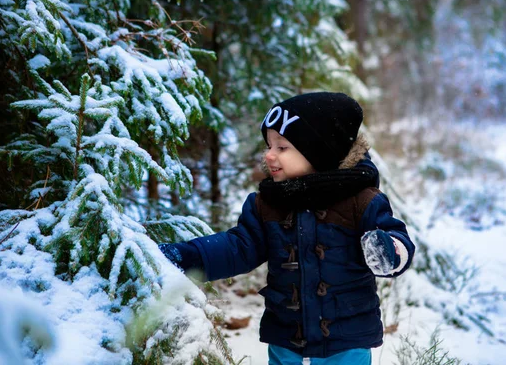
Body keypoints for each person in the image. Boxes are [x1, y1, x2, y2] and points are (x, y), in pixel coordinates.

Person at [158, 92, 415, 364]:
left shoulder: (362, 202)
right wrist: (185, 257)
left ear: (318, 151)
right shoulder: (267, 203)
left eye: (282, 147)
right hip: (286, 341)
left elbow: (398, 238)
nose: (269, 155)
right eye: (268, 146)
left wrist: (388, 251)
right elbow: (239, 248)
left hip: (345, 344)